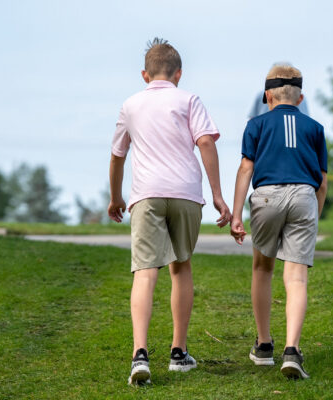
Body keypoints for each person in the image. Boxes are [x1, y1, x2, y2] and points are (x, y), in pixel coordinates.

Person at [108, 38, 231, 385]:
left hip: (146, 195)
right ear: (178, 73)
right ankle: (178, 352)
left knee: (145, 272)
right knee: (181, 267)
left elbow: (117, 155)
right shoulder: (189, 98)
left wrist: (116, 198)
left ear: (145, 74)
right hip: (186, 194)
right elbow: (206, 142)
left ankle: (140, 354)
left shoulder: (130, 104)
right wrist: (219, 196)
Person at [230, 63, 328, 379]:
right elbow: (322, 182)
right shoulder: (315, 129)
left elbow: (246, 168)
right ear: (300, 99)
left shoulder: (256, 125)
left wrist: (236, 215)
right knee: (296, 278)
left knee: (262, 267)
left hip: (267, 196)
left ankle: (263, 345)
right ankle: (292, 351)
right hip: (303, 196)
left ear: (267, 96)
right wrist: (316, 214)